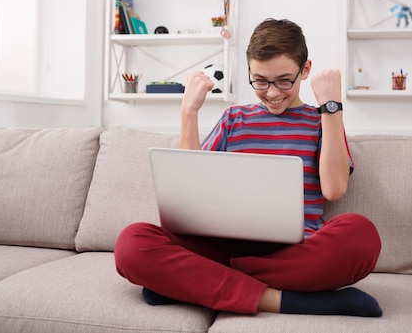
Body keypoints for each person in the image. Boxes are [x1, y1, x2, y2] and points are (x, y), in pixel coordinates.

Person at [114, 18, 382, 317]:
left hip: (294, 252)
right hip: (221, 244)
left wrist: (331, 106)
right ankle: (284, 300)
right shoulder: (234, 119)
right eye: (260, 81)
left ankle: (194, 281)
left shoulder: (320, 122)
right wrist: (188, 111)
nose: (271, 92)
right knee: (131, 244)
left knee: (362, 236)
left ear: (305, 70)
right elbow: (190, 191)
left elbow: (334, 190)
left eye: (284, 80)